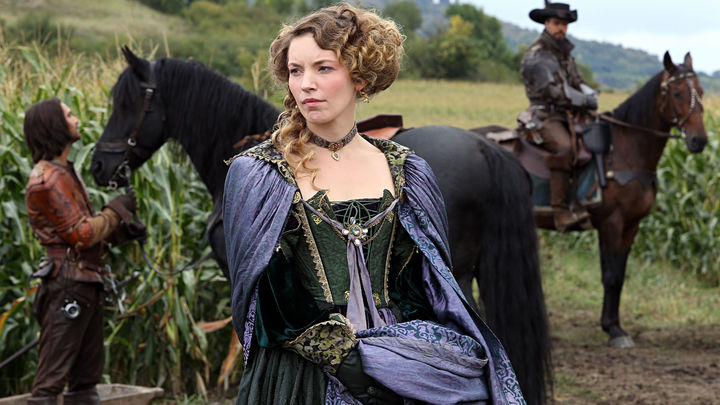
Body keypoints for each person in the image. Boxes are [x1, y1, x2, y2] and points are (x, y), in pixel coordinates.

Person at [223, 4, 525, 404]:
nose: (306, 84)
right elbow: (269, 294)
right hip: (300, 374)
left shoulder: (406, 169)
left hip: (397, 365)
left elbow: (421, 285)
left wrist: (403, 362)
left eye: (323, 68)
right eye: (296, 71)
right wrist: (349, 366)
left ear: (360, 77)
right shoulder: (260, 172)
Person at [23, 98, 142, 405]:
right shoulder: (47, 179)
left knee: (85, 382)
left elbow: (79, 235)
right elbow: (81, 234)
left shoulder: (63, 172)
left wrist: (121, 231)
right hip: (68, 285)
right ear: (54, 125)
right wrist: (116, 211)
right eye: (69, 115)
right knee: (50, 382)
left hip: (83, 282)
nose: (76, 119)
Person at [520, 0, 598, 231]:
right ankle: (560, 211)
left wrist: (591, 97)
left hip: (567, 115)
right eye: (556, 23)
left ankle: (583, 202)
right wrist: (585, 100)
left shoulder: (565, 54)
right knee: (564, 147)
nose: (561, 28)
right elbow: (552, 92)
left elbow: (578, 82)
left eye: (564, 24)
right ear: (546, 23)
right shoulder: (538, 56)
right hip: (544, 116)